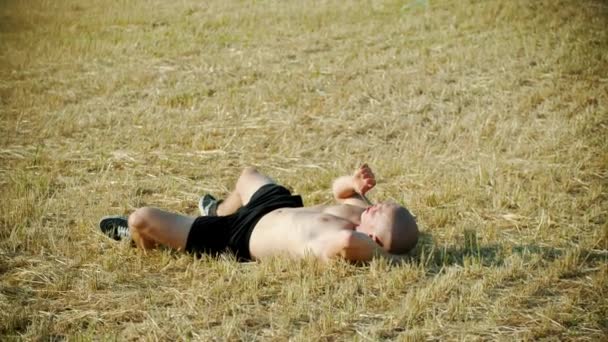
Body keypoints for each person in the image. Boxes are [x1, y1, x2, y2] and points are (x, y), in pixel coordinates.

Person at [99, 164, 418, 262]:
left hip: (239, 236)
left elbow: (351, 243)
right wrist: (352, 182)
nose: (375, 205)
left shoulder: (341, 242)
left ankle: (140, 243)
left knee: (140, 219)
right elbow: (341, 192)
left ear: (374, 238)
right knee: (248, 175)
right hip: (276, 207)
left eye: (379, 211)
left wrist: (393, 256)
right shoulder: (359, 214)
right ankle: (218, 209)